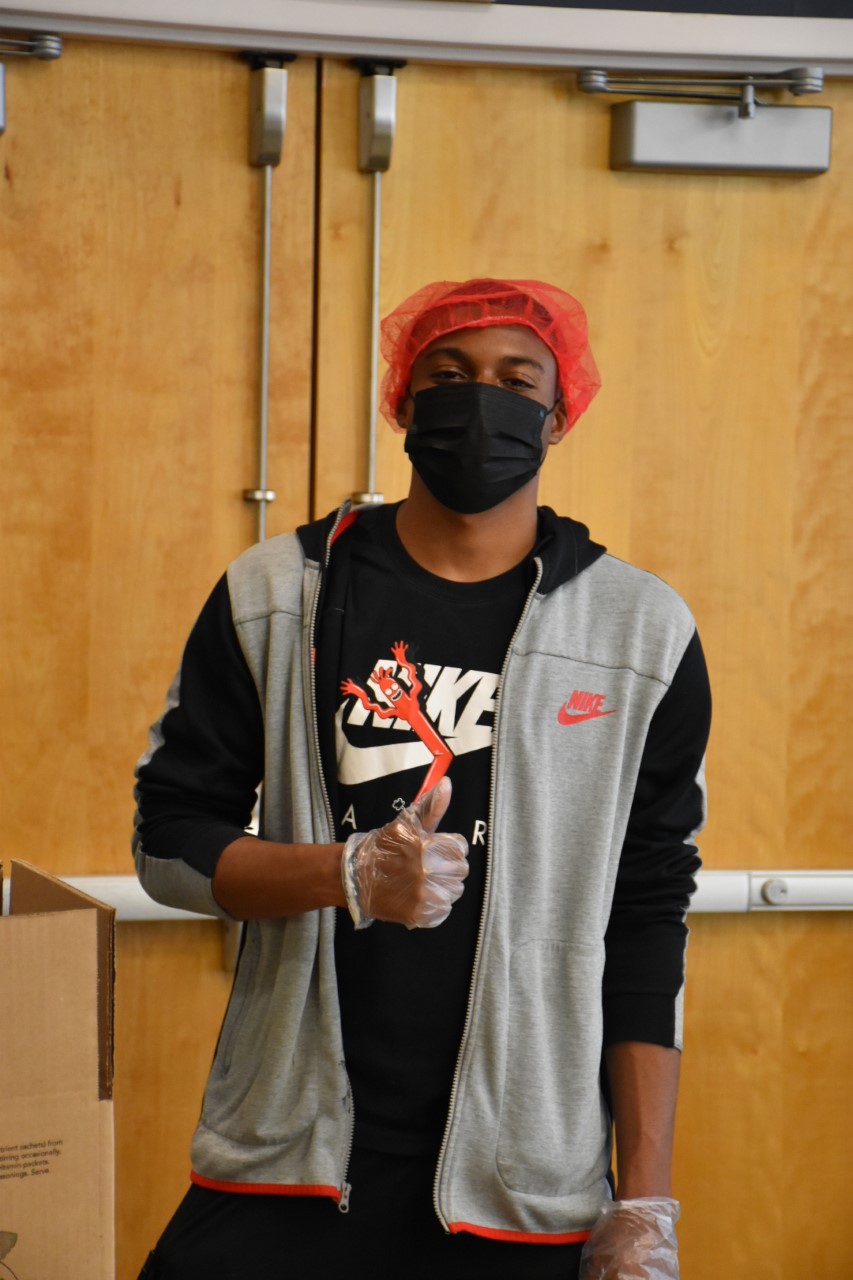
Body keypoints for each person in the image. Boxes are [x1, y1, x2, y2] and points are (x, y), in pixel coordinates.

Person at [133, 278, 711, 1280]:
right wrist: (344, 873)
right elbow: (166, 847)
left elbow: (648, 914)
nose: (480, 399)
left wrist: (644, 1201)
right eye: (448, 373)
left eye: (515, 380)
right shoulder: (276, 594)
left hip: (521, 1182)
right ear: (402, 402)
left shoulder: (638, 632)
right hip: (288, 1157)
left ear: (558, 414)